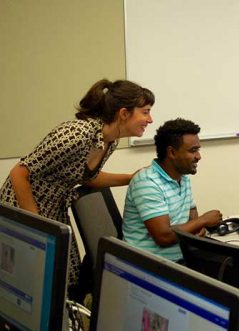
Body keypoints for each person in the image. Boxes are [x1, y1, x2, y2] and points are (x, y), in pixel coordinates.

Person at [0, 79, 155, 291]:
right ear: (124, 113)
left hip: (53, 210)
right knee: (35, 280)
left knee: (69, 276)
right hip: (24, 209)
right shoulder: (76, 134)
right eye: (145, 112)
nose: (150, 119)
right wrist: (37, 228)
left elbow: (86, 177)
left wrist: (130, 178)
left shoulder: (110, 140)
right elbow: (19, 173)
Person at [122, 118, 223, 262]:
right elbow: (164, 237)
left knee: (234, 265)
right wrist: (203, 221)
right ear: (172, 152)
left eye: (198, 150)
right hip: (150, 264)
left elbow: (191, 212)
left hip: (181, 255)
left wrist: (196, 226)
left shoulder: (182, 176)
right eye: (193, 150)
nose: (198, 157)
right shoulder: (147, 182)